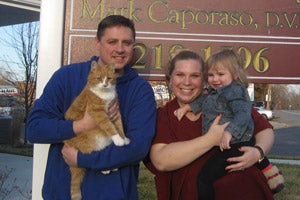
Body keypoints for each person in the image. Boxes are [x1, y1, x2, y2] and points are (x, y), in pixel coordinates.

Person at [26, 15, 157, 200]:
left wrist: (83, 159)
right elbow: (34, 129)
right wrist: (80, 126)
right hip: (63, 194)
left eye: (127, 43)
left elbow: (137, 147)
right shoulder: (67, 77)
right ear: (97, 42)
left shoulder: (140, 90)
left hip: (114, 195)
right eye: (112, 41)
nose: (120, 49)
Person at [144, 49, 276, 200]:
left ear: (203, 79)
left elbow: (265, 130)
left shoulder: (224, 100)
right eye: (180, 75)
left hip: (246, 191)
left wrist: (258, 152)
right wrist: (210, 139)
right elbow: (161, 161)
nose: (187, 82)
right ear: (170, 78)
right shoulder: (164, 114)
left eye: (195, 76)